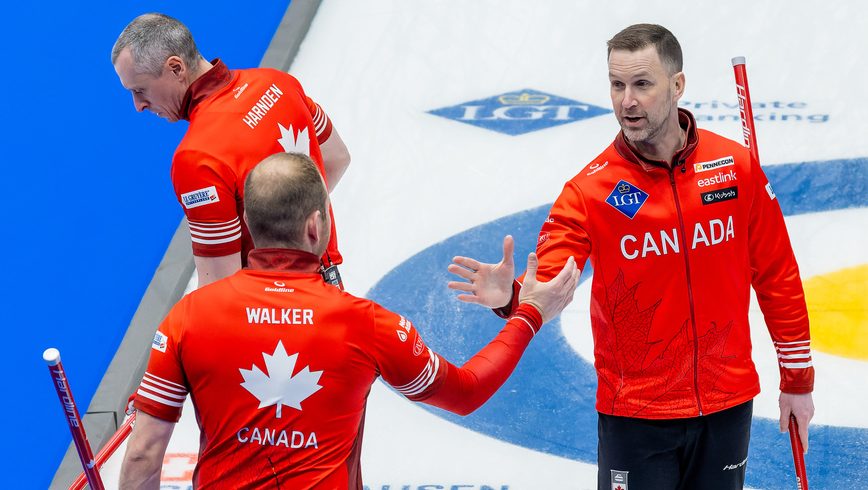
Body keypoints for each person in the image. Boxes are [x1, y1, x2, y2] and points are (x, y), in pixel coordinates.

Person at [447, 24, 814, 489]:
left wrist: (797, 382)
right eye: (617, 85)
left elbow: (778, 276)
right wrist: (513, 296)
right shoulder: (590, 192)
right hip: (637, 416)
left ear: (677, 86)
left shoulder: (734, 169)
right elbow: (551, 280)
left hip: (727, 404)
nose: (626, 101)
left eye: (642, 84)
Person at [118, 152, 580, 488]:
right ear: (317, 225)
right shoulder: (366, 324)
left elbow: (143, 453)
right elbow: (466, 392)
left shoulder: (188, 316)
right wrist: (527, 314)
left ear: (246, 221)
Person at [112, 13, 351, 288]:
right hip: (329, 289)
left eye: (140, 90)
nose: (138, 105)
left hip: (276, 312)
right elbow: (336, 158)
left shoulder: (197, 157)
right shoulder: (278, 83)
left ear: (176, 68)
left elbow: (219, 286)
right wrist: (296, 227)